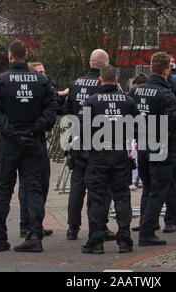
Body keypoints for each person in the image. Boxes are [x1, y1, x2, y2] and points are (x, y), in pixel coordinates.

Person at [0, 39, 56, 252]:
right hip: (33, 142)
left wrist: (11, 133)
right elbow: (51, 111)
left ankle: (0, 237)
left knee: (3, 189)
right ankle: (35, 235)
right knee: (34, 188)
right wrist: (35, 129)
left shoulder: (1, 81)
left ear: (10, 56)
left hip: (8, 143)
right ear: (26, 55)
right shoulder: (41, 81)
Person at [80, 65, 139, 254]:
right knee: (122, 197)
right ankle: (124, 240)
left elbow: (82, 130)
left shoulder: (91, 101)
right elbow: (138, 128)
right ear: (116, 80)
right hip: (120, 155)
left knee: (96, 199)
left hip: (99, 156)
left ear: (100, 80)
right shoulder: (128, 102)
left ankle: (96, 242)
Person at [129, 52, 176, 246]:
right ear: (167, 70)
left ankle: (146, 225)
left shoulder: (135, 91)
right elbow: (175, 122)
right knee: (159, 189)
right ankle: (147, 232)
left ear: (151, 68)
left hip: (142, 144)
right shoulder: (166, 94)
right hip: (161, 145)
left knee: (148, 188)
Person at [63, 49, 116, 241]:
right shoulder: (106, 84)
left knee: (77, 186)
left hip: (78, 143)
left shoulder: (75, 84)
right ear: (104, 64)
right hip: (100, 144)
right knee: (102, 187)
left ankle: (72, 227)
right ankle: (100, 225)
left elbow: (67, 113)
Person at [17, 62, 57, 238]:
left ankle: (35, 223)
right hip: (30, 140)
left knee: (42, 183)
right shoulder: (34, 90)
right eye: (40, 72)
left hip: (39, 139)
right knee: (30, 185)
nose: (44, 75)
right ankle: (27, 224)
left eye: (45, 71)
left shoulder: (44, 89)